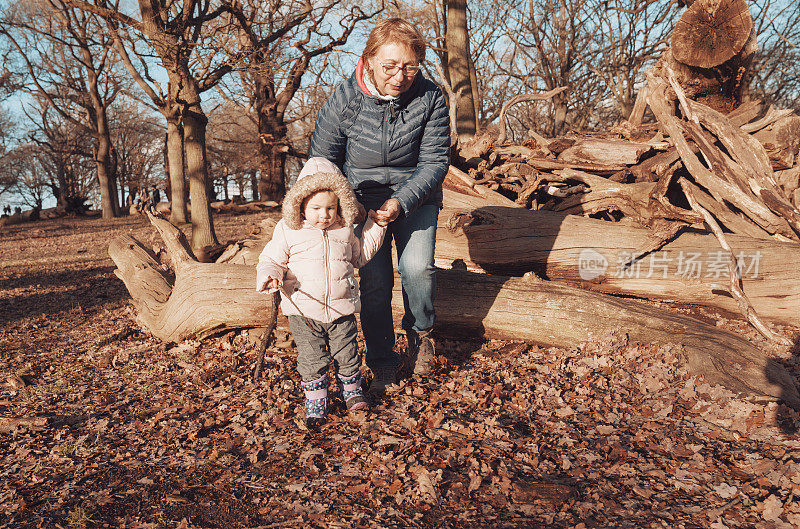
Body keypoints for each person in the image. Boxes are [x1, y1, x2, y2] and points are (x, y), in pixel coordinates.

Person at [309, 18, 450, 394]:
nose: (400, 76)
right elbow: (323, 160)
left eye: (409, 66)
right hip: (359, 199)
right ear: (369, 59)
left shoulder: (431, 97)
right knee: (374, 281)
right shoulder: (343, 99)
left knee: (416, 267)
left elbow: (435, 162)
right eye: (390, 66)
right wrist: (349, 204)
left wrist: (401, 201)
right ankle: (382, 359)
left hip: (414, 195)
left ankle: (421, 334)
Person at [255, 157, 387, 429]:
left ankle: (352, 391)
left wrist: (377, 227)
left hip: (341, 308)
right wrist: (271, 275)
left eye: (331, 207)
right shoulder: (289, 230)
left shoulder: (344, 230)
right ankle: (316, 399)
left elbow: (359, 257)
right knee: (312, 357)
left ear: (340, 205)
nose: (324, 214)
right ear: (301, 205)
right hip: (304, 310)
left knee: (347, 351)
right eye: (316, 208)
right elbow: (272, 259)